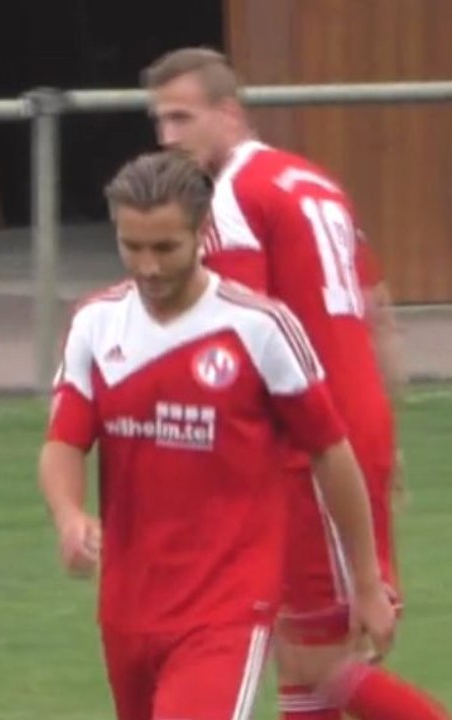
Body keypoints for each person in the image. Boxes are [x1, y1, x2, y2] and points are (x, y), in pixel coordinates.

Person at [38, 150, 395, 720]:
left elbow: (331, 451)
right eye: (132, 247)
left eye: (165, 248)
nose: (148, 267)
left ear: (203, 232)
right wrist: (69, 515)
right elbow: (65, 440)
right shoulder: (95, 323)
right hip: (127, 605)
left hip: (229, 604)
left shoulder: (260, 328)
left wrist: (367, 582)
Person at [142, 48, 445, 720]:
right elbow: (376, 308)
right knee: (302, 648)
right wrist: (384, 429)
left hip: (308, 447)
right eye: (159, 121)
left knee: (321, 660)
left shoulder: (228, 200)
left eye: (181, 118)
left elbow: (241, 338)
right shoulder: (311, 180)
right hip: (351, 426)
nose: (167, 136)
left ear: (228, 112)